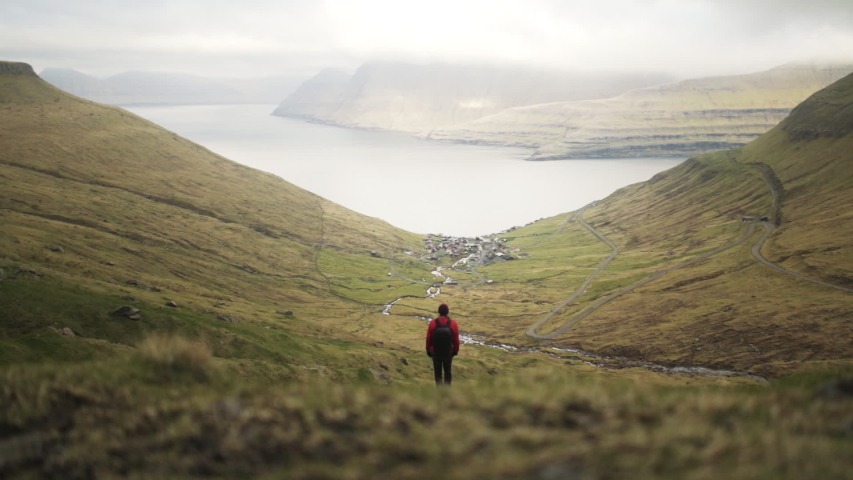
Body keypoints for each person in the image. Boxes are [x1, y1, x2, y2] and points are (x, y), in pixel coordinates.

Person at [425, 303, 460, 385]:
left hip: (435, 352)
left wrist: (428, 350)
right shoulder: (453, 323)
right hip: (448, 352)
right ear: (447, 312)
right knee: (448, 372)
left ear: (439, 312)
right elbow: (456, 339)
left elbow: (428, 338)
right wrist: (455, 350)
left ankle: (439, 393)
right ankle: (447, 393)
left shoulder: (433, 323)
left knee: (438, 373)